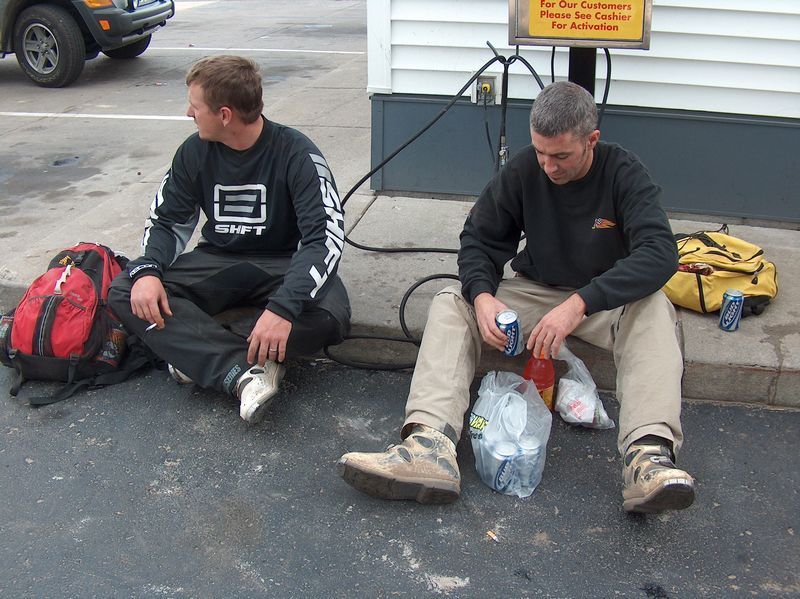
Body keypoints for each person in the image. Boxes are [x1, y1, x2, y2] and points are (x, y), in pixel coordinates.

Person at [337, 81, 695, 514]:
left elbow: (659, 254)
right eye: (541, 152)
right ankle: (429, 447)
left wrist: (580, 303)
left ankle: (648, 459)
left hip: (602, 300)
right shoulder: (526, 169)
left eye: (561, 156)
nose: (548, 166)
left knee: (655, 308)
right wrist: (482, 296)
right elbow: (478, 239)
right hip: (536, 291)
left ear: (592, 140)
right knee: (452, 301)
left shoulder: (624, 172)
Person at [109, 55, 350, 424]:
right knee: (128, 289)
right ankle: (243, 370)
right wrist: (149, 270)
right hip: (218, 261)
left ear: (224, 115)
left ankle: (196, 351)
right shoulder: (193, 151)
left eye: (195, 105)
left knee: (332, 318)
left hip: (283, 265)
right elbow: (167, 220)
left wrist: (283, 308)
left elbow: (324, 238)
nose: (189, 113)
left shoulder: (297, 153)